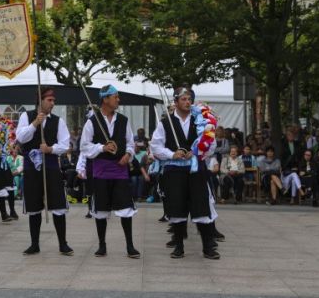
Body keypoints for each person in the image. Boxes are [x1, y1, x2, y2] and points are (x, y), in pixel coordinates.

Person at [149, 87, 220, 260]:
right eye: (183, 99)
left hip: (196, 170)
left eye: (189, 99)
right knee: (177, 207)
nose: (187, 102)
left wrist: (196, 153)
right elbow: (155, 146)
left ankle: (208, 247)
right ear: (175, 102)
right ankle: (179, 246)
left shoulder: (202, 121)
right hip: (174, 171)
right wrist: (172, 154)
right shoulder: (165, 123)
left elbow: (211, 145)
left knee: (201, 206)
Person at [80, 85, 140, 258]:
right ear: (105, 99)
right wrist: (102, 147)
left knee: (125, 207)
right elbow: (84, 146)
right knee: (101, 208)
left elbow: (130, 142)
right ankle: (102, 245)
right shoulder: (92, 121)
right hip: (101, 170)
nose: (118, 100)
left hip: (120, 169)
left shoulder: (123, 120)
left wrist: (128, 155)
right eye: (115, 97)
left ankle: (130, 245)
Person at [16, 87, 73, 256]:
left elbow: (65, 144)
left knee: (57, 203)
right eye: (49, 100)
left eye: (53, 100)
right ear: (40, 100)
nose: (52, 103)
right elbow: (20, 137)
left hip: (51, 165)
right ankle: (34, 244)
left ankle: (63, 243)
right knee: (33, 204)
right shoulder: (26, 116)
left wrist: (50, 149)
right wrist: (35, 124)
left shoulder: (58, 121)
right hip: (31, 167)